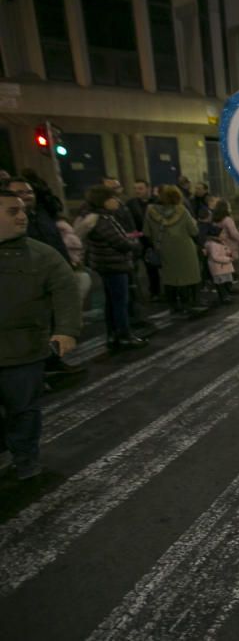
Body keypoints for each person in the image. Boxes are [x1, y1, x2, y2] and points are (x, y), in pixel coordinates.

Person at [0, 188, 81, 479]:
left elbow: (66, 291)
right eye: (13, 211)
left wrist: (66, 330)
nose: (22, 216)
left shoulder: (40, 255)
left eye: (22, 210)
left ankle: (24, 458)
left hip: (23, 351)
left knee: (23, 410)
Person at [83, 186, 147, 350]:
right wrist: (134, 243)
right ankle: (124, 335)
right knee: (119, 302)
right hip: (113, 265)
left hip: (108, 264)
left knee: (112, 302)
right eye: (112, 198)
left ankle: (114, 334)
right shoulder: (103, 220)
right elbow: (120, 242)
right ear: (103, 201)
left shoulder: (103, 218)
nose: (116, 201)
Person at [144, 185, 205, 315]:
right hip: (184, 248)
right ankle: (187, 303)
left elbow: (147, 232)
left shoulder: (150, 211)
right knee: (187, 276)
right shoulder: (182, 211)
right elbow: (193, 231)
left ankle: (173, 305)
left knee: (169, 277)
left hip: (164, 248)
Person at [6, 178, 70, 262]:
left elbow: (58, 243)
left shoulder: (43, 214)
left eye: (30, 192)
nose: (27, 196)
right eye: (19, 192)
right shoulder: (6, 221)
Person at [203, 227, 236, 305]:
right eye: (223, 233)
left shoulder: (221, 242)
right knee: (221, 283)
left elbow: (225, 250)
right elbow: (215, 257)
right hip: (218, 267)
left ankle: (227, 294)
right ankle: (224, 297)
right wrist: (227, 259)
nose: (225, 235)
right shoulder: (213, 245)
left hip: (224, 267)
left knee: (227, 281)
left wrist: (229, 252)